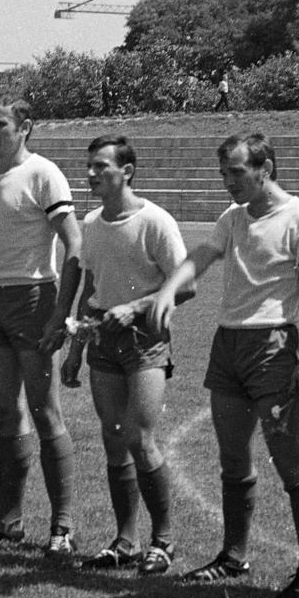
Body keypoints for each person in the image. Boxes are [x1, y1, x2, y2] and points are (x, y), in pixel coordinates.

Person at [149, 132, 299, 598]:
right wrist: (169, 290)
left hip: (273, 344)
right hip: (229, 343)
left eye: (237, 171)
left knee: (290, 461)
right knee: (233, 457)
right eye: (223, 173)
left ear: (265, 167)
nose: (228, 181)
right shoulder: (232, 219)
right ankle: (233, 556)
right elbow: (202, 257)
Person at [0, 93, 82, 556]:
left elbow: (74, 246)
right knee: (6, 414)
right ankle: (8, 520)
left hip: (32, 300)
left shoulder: (44, 173)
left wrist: (60, 313)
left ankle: (62, 526)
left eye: (0, 125)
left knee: (45, 412)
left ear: (25, 127)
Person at [61, 135, 189, 575]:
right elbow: (90, 292)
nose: (92, 174)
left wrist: (135, 308)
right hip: (102, 343)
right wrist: (75, 349)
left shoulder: (155, 221)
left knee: (140, 438)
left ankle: (164, 541)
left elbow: (185, 285)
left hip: (145, 342)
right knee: (114, 439)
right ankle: (125, 540)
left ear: (127, 171)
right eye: (90, 166)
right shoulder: (92, 222)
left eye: (102, 167)